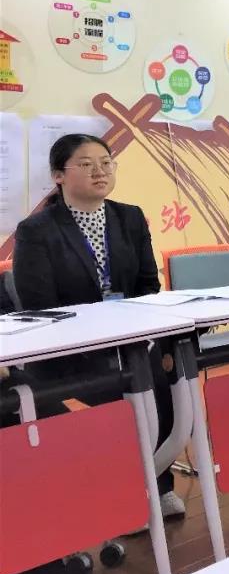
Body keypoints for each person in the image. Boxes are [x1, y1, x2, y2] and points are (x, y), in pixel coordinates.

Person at [12, 134, 186, 521]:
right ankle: (121, 495)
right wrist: (99, 332)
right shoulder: (36, 230)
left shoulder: (130, 217)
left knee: (164, 385)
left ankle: (158, 483)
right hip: (71, 348)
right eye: (86, 164)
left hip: (129, 338)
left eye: (106, 163)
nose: (99, 171)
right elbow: (41, 306)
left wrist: (134, 330)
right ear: (58, 175)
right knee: (118, 399)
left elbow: (147, 284)